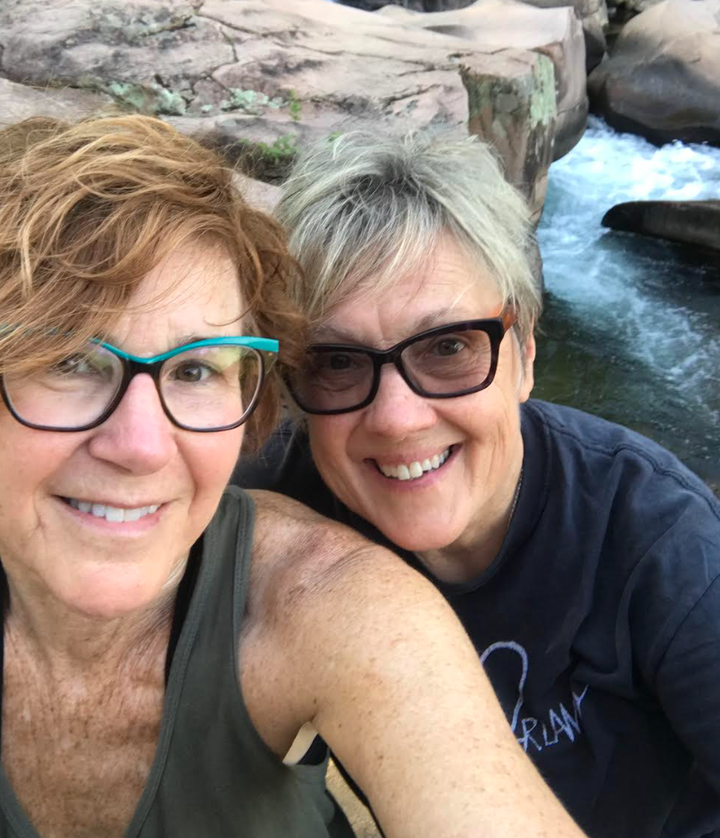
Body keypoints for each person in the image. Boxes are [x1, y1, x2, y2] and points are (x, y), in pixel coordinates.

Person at [0, 114, 589, 838]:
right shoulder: (284, 465)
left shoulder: (338, 605)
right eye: (71, 362)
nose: (144, 446)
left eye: (193, 370)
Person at [235, 131, 720, 838]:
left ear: (523, 353)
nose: (397, 419)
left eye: (449, 347)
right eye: (337, 361)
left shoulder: (661, 544)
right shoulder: (269, 504)